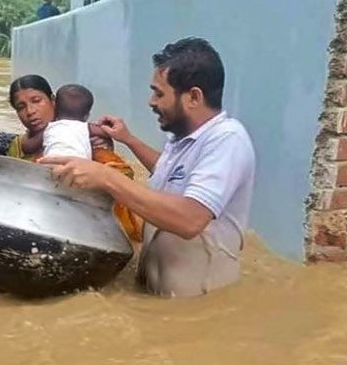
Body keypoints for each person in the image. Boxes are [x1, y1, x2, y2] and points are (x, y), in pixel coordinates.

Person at [40, 37, 256, 298]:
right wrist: (128, 139)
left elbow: (190, 219)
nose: (151, 102)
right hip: (157, 296)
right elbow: (170, 175)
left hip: (193, 310)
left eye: (159, 93)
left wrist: (106, 177)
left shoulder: (227, 139)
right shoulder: (183, 139)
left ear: (194, 97)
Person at [7, 75, 142, 243]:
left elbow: (120, 180)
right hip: (34, 223)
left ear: (53, 100)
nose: (30, 111)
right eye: (21, 107)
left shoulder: (88, 140)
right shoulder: (17, 145)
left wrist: (107, 146)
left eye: (36, 100)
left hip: (82, 228)